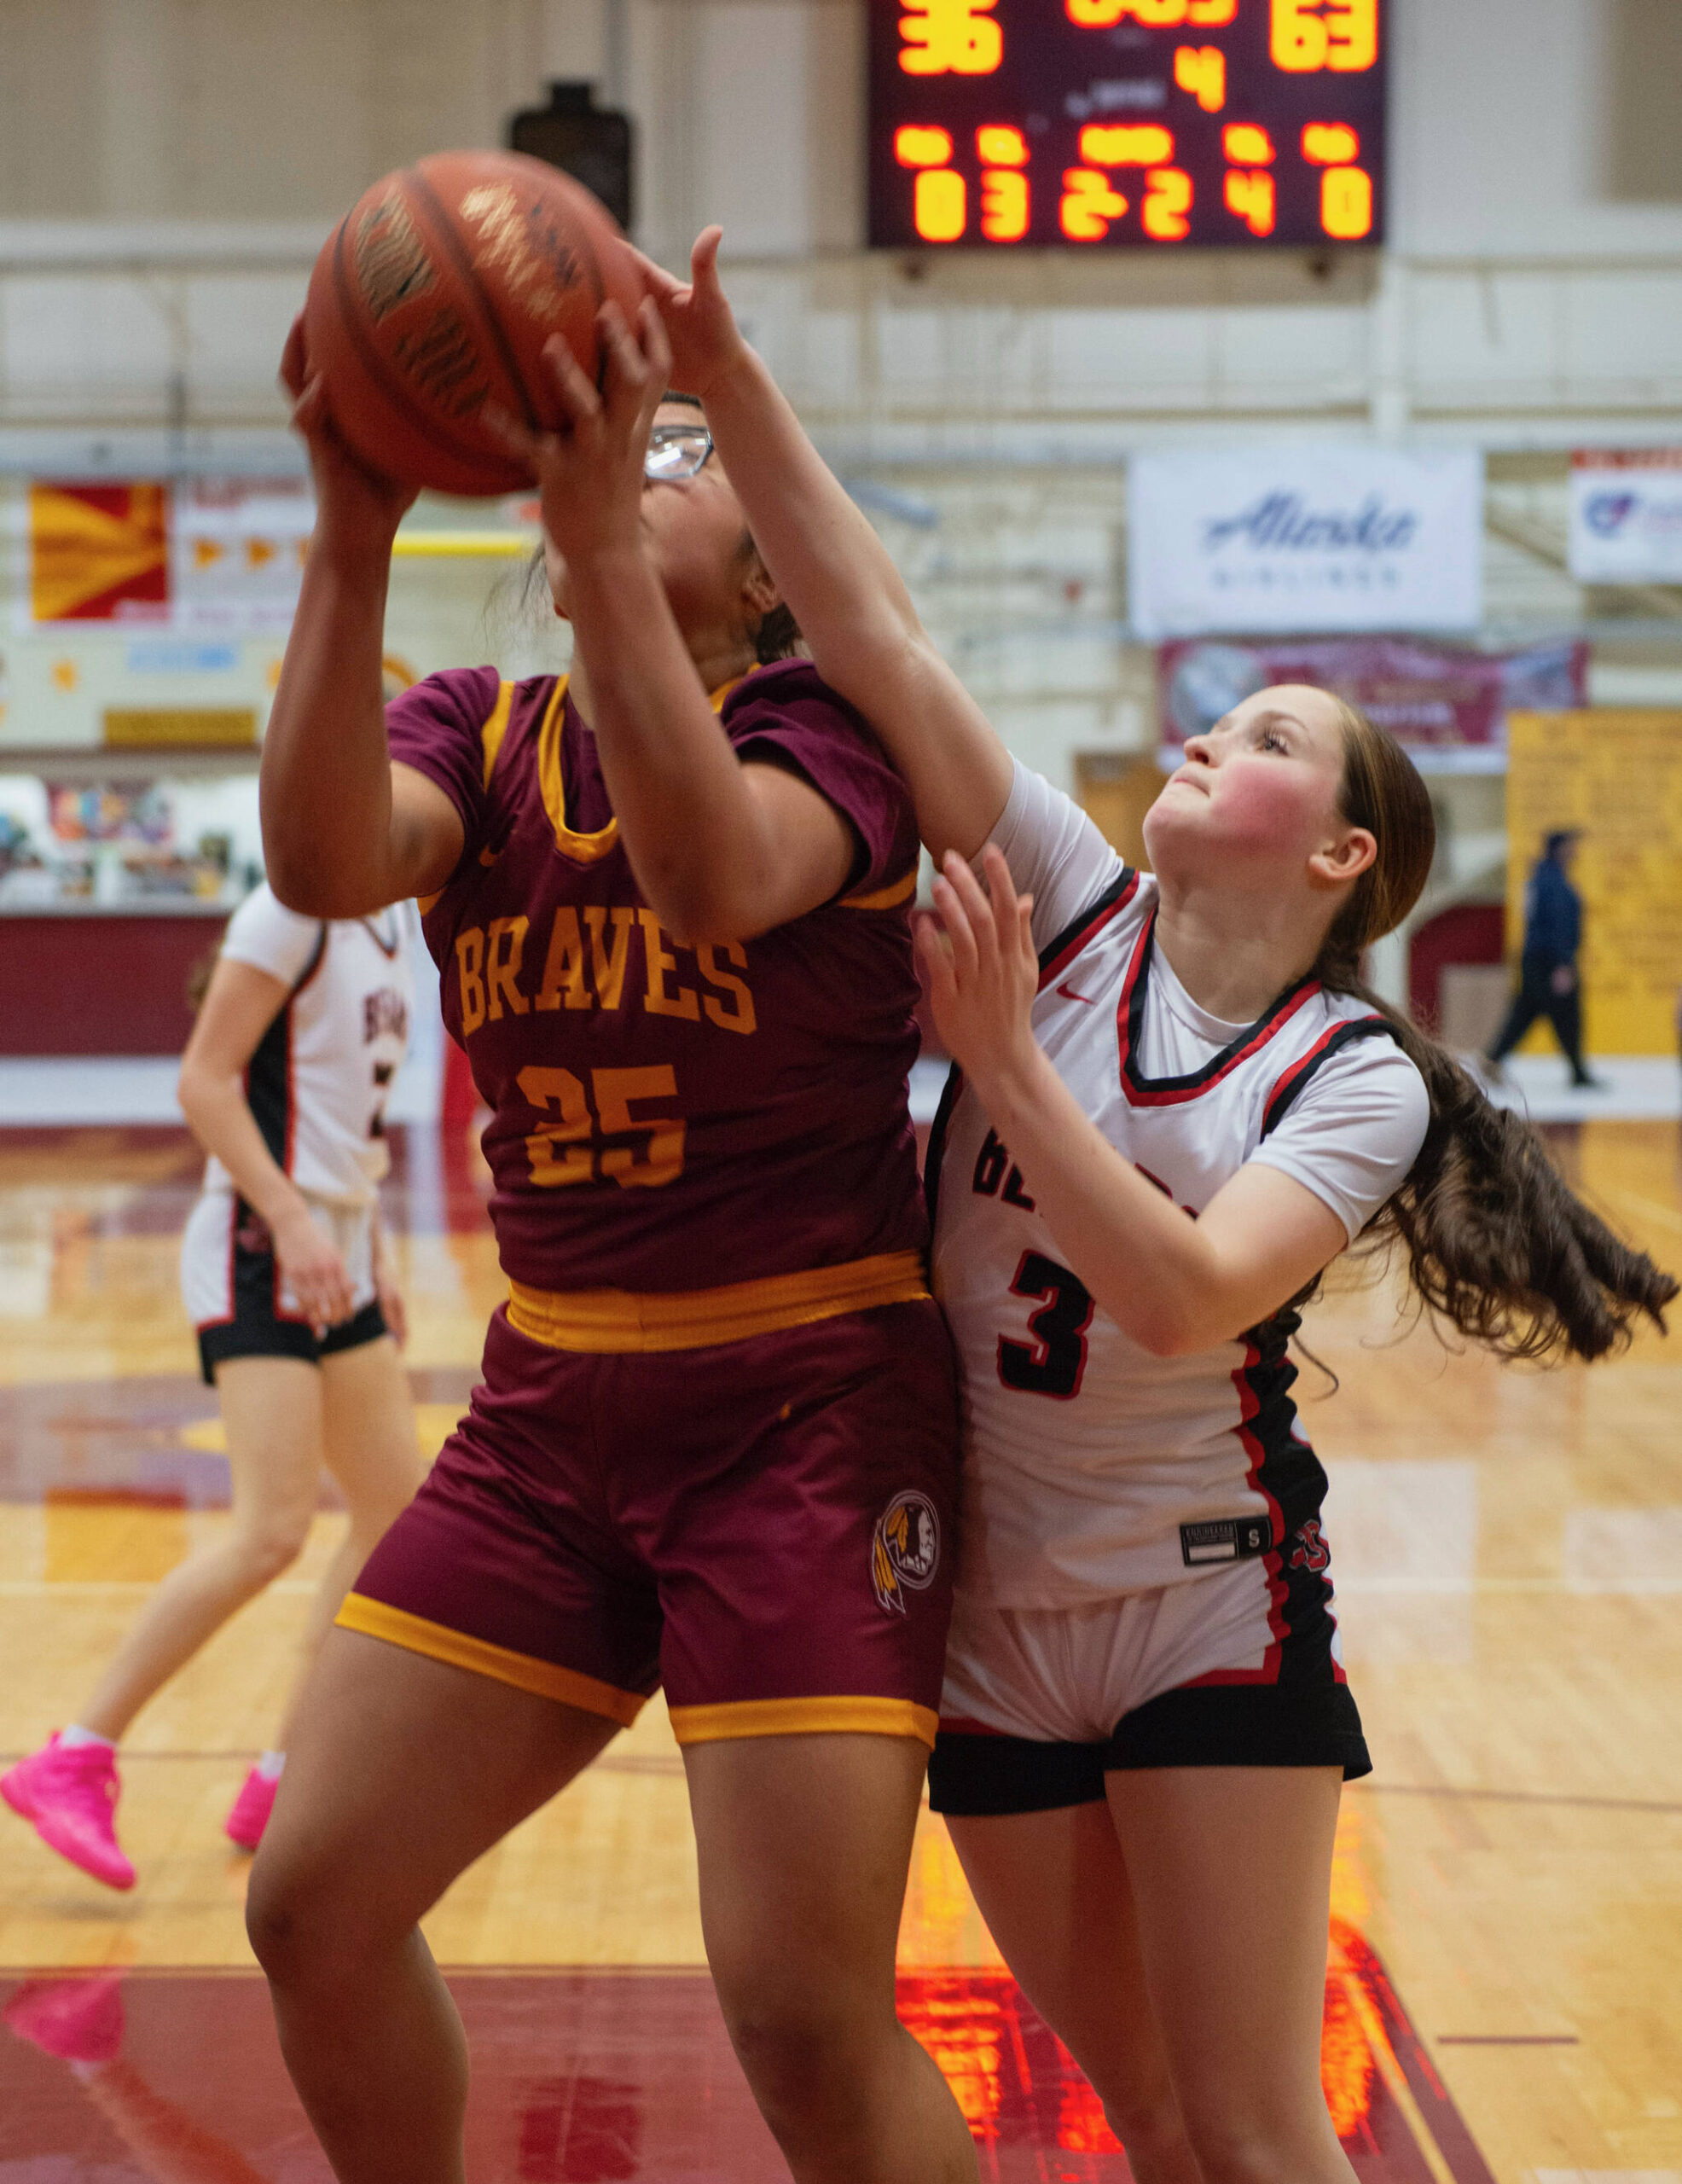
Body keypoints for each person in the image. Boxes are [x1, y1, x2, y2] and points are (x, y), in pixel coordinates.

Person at [629, 229, 1678, 2184]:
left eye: (1269, 736)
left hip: (1207, 1598)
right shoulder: (1065, 895)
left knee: (1262, 2127)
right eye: (1216, 719)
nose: (1208, 736)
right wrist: (729, 372)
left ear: (1342, 848)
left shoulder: (1347, 1072)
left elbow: (1193, 1294)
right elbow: (873, 631)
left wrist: (1002, 1066)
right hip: (990, 1612)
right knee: (1150, 2123)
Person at [242, 299, 976, 2184]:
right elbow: (325, 863)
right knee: (311, 1904)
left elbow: (717, 878)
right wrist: (349, 525)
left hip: (804, 1414)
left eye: (685, 461)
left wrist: (584, 530)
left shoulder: (833, 732)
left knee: (806, 2017)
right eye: (628, 457)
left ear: (769, 572)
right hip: (550, 1406)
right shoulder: (475, 735)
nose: (647, 465)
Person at [2, 885, 423, 1891]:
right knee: (269, 1530)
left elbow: (339, 1117)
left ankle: (288, 1771)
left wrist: (379, 1245)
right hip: (259, 1239)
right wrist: (290, 1219)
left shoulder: (387, 917)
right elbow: (203, 1082)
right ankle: (76, 1753)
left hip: (339, 1242)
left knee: (393, 1513)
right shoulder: (292, 909)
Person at [1487, 828, 1603, 1088]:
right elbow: (1557, 926)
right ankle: (1579, 1073)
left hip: (1538, 960)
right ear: (1559, 848)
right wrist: (1563, 965)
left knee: (1525, 1013)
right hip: (1549, 962)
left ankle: (1491, 1061)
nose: (1575, 851)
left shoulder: (1542, 878)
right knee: (1567, 1015)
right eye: (1571, 845)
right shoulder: (1553, 882)